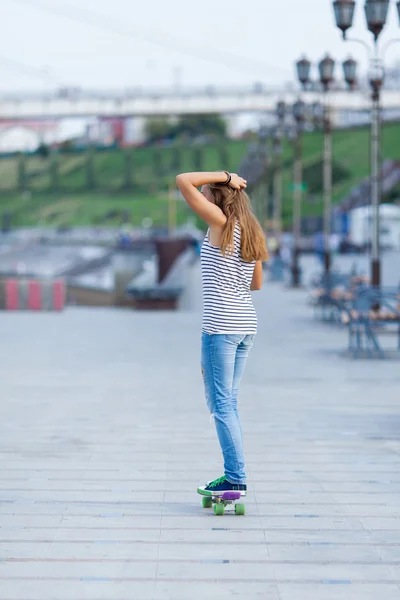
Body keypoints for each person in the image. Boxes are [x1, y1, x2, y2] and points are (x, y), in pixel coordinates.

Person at [176, 170, 268, 498]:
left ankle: (235, 477)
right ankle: (235, 474)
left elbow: (184, 180)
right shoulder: (252, 231)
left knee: (221, 405)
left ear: (219, 197)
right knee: (229, 402)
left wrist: (227, 177)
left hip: (221, 328)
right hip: (245, 326)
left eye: (211, 193)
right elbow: (256, 284)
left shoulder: (220, 223)